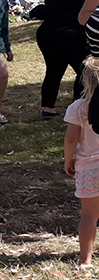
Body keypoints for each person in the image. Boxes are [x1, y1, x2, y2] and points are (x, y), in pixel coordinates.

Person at [37, 0, 90, 117]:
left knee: (53, 71)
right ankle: (78, 105)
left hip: (48, 35)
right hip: (72, 35)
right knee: (83, 71)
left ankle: (47, 108)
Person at [63, 56, 99, 267]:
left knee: (89, 215)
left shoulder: (78, 108)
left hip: (88, 169)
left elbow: (70, 139)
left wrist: (69, 160)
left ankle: (85, 258)